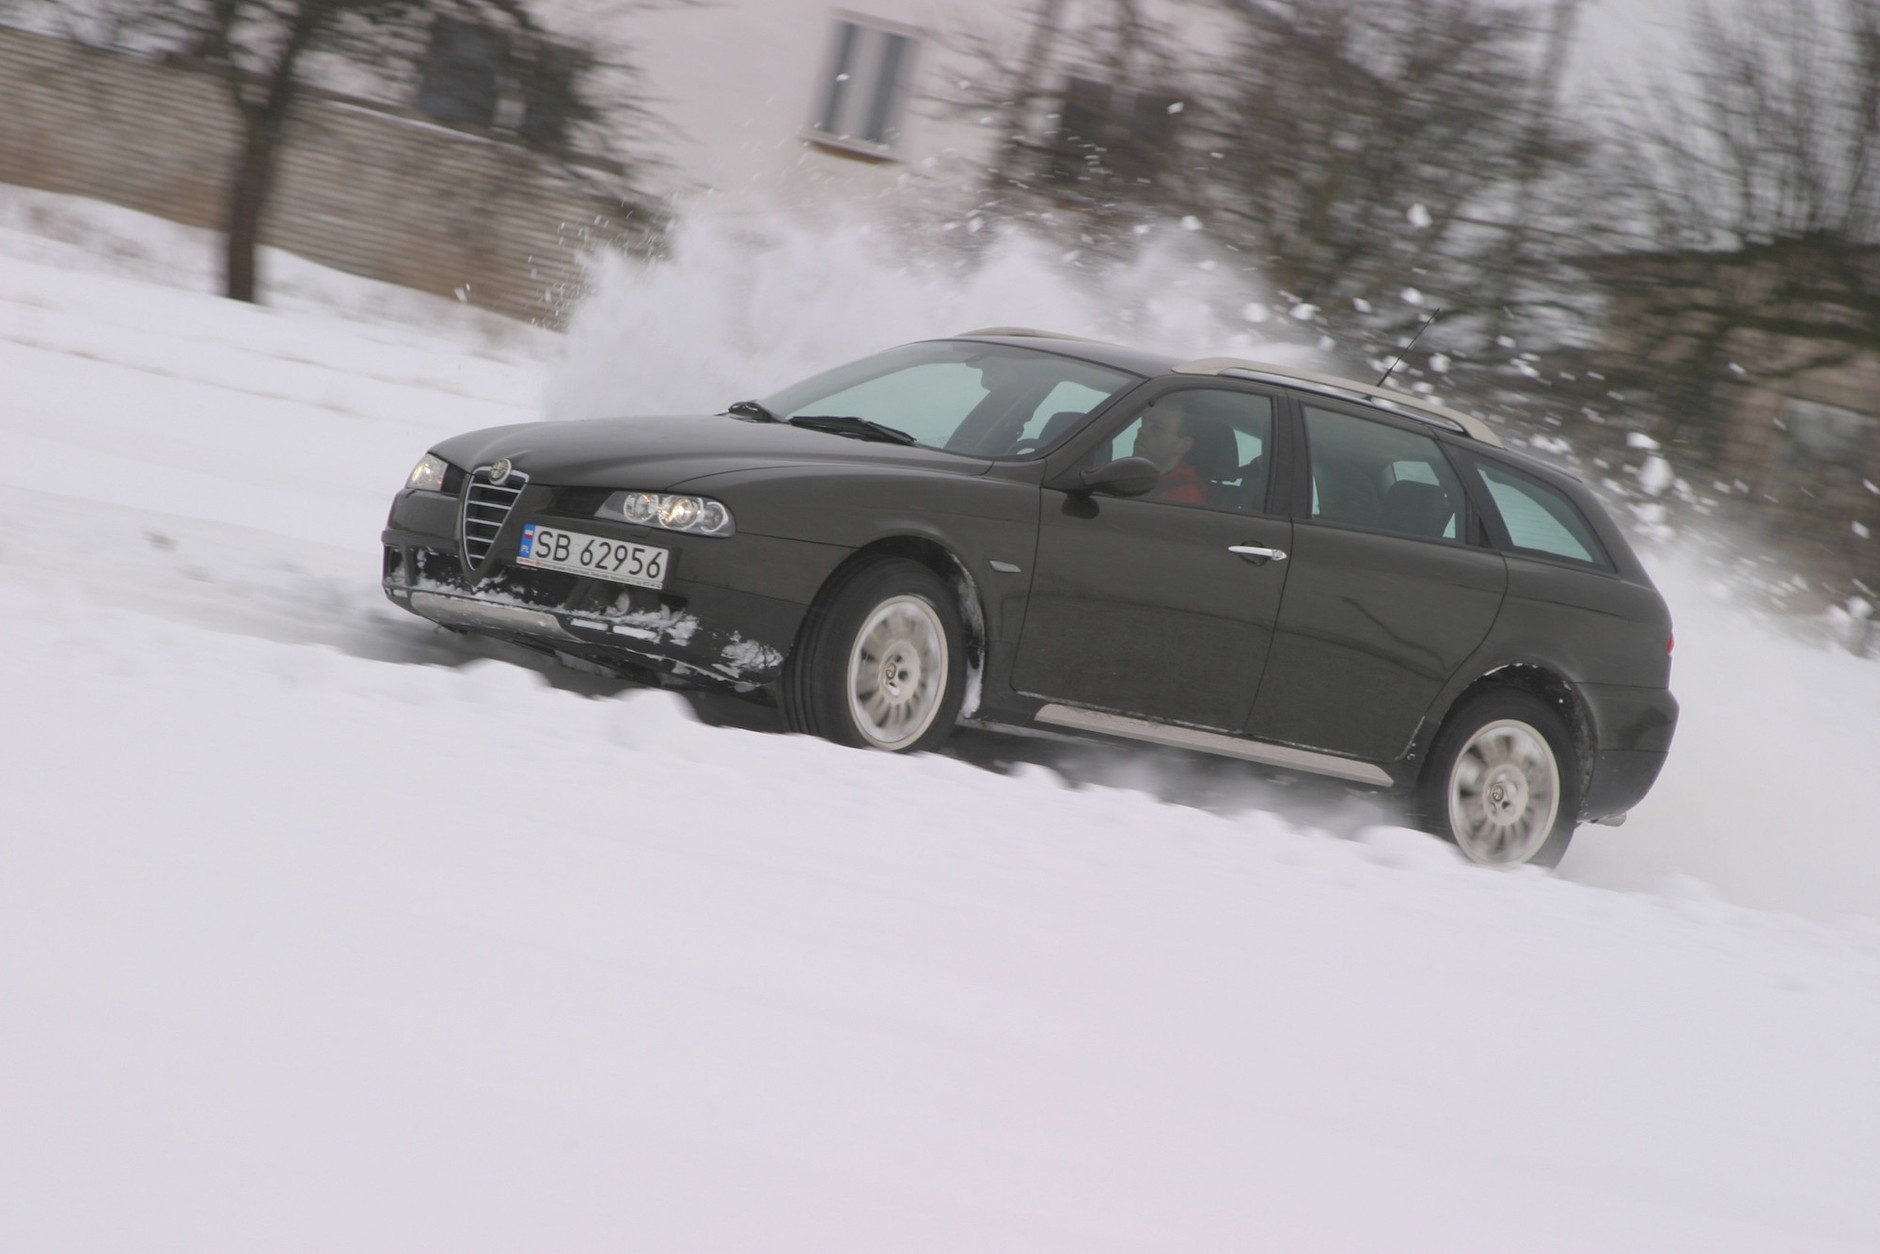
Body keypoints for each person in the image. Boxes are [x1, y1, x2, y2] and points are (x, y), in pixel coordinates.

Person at [1132, 395, 1206, 503]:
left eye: (1157, 428)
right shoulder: (1132, 476)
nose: (1141, 430)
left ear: (1183, 446)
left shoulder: (1183, 498)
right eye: (1143, 422)